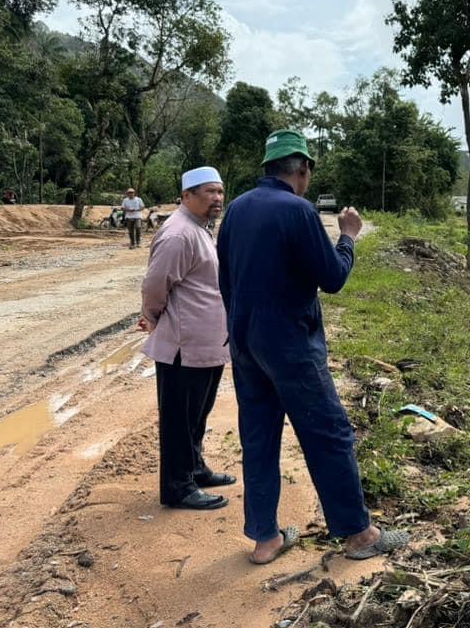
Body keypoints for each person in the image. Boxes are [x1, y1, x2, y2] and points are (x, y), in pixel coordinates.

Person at [217, 129, 409, 565]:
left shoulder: (236, 210)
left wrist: (239, 329)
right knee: (328, 433)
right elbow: (334, 278)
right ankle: (359, 534)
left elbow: (224, 278)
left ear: (268, 168)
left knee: (259, 437)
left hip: (246, 344)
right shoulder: (298, 211)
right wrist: (348, 236)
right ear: (302, 170)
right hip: (290, 347)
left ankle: (265, 539)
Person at [139, 167, 234, 510]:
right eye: (209, 192)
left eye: (221, 192)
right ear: (187, 196)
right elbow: (154, 285)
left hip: (206, 344)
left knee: (197, 414)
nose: (218, 199)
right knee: (180, 418)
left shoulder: (200, 230)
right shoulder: (178, 233)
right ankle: (178, 487)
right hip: (184, 345)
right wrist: (151, 317)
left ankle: (193, 469)